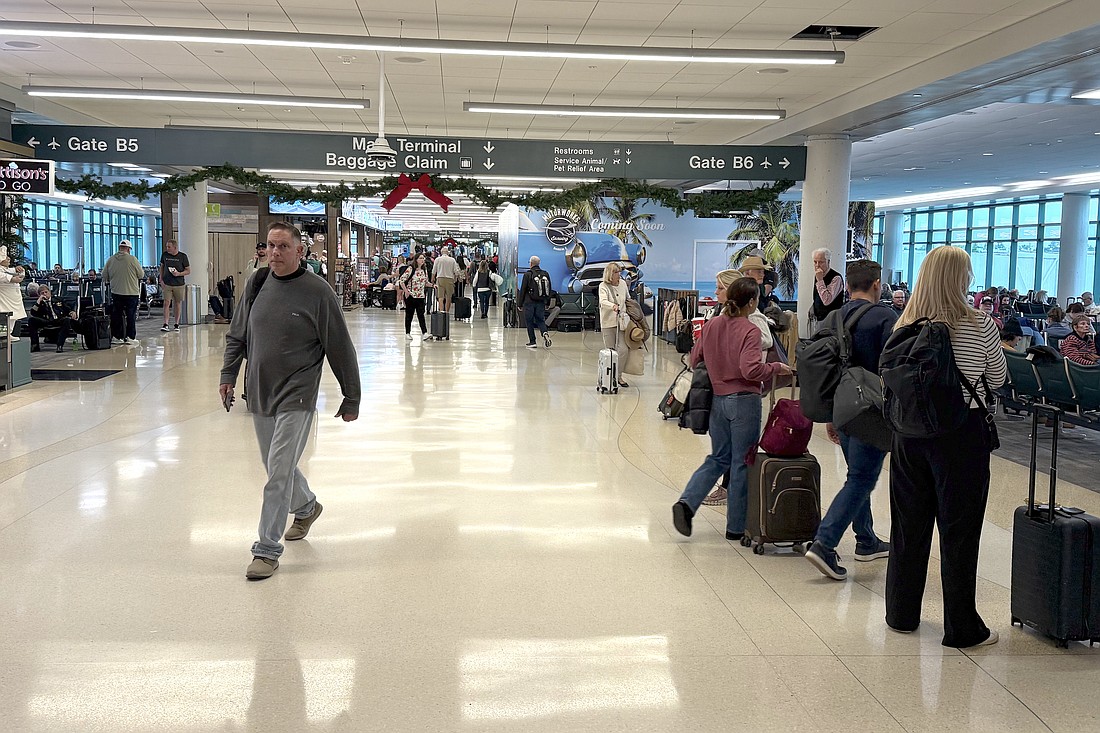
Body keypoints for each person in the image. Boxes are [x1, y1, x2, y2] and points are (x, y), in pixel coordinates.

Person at [219, 222, 361, 581]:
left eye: (283, 247)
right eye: (270, 246)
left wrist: (351, 395)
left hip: (298, 393)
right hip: (260, 389)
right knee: (275, 466)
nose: (275, 253)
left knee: (278, 469)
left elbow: (339, 346)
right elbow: (237, 335)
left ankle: (266, 550)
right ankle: (307, 506)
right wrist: (227, 375)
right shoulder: (256, 283)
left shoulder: (318, 292)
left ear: (301, 252)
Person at [886, 245, 1006, 649]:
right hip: (961, 435)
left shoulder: (904, 323)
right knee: (959, 531)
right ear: (960, 278)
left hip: (908, 434)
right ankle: (961, 627)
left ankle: (901, 615)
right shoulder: (979, 323)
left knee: (907, 526)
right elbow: (999, 378)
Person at [672, 277, 793, 541]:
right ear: (751, 302)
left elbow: (694, 359)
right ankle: (735, 527)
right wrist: (776, 368)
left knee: (718, 458)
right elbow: (751, 370)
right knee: (741, 462)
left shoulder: (712, 324)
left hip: (717, 401)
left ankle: (687, 502)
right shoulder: (749, 330)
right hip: (744, 402)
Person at [805, 260, 896, 580]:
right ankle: (825, 544)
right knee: (861, 478)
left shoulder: (833, 316)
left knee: (858, 474)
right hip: (870, 408)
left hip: (841, 407)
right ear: (876, 285)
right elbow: (894, 367)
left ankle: (867, 539)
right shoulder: (885, 317)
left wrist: (831, 416)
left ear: (847, 286)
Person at [702, 268, 774, 508]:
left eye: (721, 288)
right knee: (728, 447)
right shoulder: (723, 315)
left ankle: (732, 492)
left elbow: (765, 340)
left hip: (743, 390)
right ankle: (730, 490)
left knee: (738, 450)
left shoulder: (751, 319)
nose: (716, 292)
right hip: (725, 389)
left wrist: (737, 340)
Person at [101, 239, 144, 345]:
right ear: (128, 249)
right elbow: (141, 274)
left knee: (117, 315)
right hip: (131, 292)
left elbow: (104, 275)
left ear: (119, 248)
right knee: (130, 315)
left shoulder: (111, 260)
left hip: (116, 292)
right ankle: (130, 337)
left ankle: (117, 336)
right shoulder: (132, 259)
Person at [598, 262, 630, 388]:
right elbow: (603, 301)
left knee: (623, 349)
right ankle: (608, 377)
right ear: (610, 274)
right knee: (610, 351)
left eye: (619, 271)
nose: (619, 274)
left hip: (621, 322)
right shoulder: (603, 286)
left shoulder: (622, 284)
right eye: (616, 272)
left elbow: (627, 298)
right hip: (608, 322)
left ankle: (618, 375)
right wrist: (613, 306)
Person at [27, 284, 77, 352]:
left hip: (58, 319)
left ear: (49, 292)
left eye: (46, 292)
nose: (45, 294)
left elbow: (67, 309)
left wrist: (72, 312)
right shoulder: (39, 303)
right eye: (42, 293)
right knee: (31, 320)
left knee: (67, 320)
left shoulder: (58, 300)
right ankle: (35, 345)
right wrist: (38, 301)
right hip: (46, 320)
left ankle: (60, 345)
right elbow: (33, 313)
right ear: (39, 295)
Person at [518, 255, 553, 350]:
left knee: (529, 322)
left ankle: (532, 341)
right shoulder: (545, 274)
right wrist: (547, 303)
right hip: (541, 302)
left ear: (531, 264)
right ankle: (544, 333)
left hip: (529, 302)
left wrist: (519, 304)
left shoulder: (527, 274)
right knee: (540, 320)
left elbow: (523, 290)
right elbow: (549, 289)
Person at [809, 248, 845, 335]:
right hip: (819, 319)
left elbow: (827, 300)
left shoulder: (836, 278)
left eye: (821, 262)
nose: (817, 265)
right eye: (815, 262)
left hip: (832, 321)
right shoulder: (818, 276)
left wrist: (820, 281)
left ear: (828, 262)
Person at [159, 239, 191, 332]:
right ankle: (165, 323)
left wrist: (179, 273)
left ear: (175, 247)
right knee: (166, 302)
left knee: (177, 303)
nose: (167, 248)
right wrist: (161, 279)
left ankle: (176, 323)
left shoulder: (183, 256)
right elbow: (161, 267)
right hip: (167, 283)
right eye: (167, 247)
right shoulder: (165, 255)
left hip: (178, 284)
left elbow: (188, 270)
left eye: (169, 247)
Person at [398, 252, 431, 340]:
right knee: (409, 315)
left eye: (423, 258)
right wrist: (406, 291)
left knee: (421, 315)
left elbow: (425, 282)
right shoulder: (410, 269)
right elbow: (401, 280)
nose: (422, 260)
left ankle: (425, 333)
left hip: (421, 296)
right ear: (416, 260)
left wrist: (432, 285)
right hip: (411, 296)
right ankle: (407, 333)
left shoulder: (424, 270)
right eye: (420, 258)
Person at [0, 246, 27, 327]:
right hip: (5, 298)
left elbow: (21, 273)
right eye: (5, 257)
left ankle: (10, 333)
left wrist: (20, 269)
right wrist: (19, 277)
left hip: (14, 297)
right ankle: (5, 333)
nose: (9, 259)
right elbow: (16, 279)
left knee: (14, 316)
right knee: (5, 314)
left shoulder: (8, 269)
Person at [431, 246, 460, 313]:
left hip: (440, 278)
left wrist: (432, 279)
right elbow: (456, 271)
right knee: (448, 297)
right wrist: (457, 278)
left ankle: (441, 311)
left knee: (440, 296)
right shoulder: (452, 260)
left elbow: (434, 270)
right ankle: (447, 312)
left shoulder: (437, 259)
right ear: (448, 252)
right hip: (450, 279)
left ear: (441, 252)